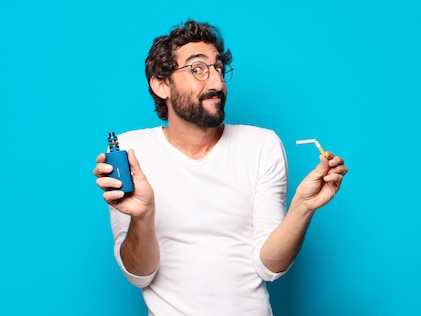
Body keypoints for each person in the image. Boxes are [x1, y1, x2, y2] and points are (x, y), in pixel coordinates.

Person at [92, 19, 348, 315]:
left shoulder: (261, 145)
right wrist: (143, 216)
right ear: (161, 84)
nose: (216, 83)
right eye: (197, 70)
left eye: (218, 69)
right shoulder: (131, 154)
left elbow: (269, 267)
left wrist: (303, 206)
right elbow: (140, 274)